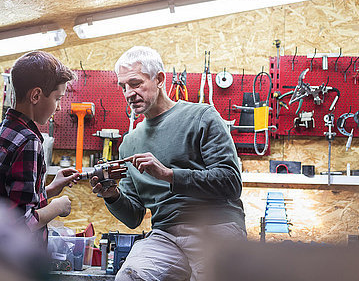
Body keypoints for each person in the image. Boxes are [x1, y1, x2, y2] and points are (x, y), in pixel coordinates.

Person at [91, 46, 246, 281]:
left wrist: (169, 175)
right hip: (165, 234)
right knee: (130, 277)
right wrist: (112, 195)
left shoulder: (201, 116)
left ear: (160, 79)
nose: (128, 93)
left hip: (215, 225)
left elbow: (231, 182)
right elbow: (133, 216)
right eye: (123, 87)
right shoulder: (129, 143)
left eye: (135, 83)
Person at [0, 50, 79, 247]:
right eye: (57, 98)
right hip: (13, 262)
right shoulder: (29, 141)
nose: (58, 107)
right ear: (36, 95)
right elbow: (20, 224)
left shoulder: (0, 132)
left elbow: (7, 203)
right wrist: (57, 206)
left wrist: (49, 190)